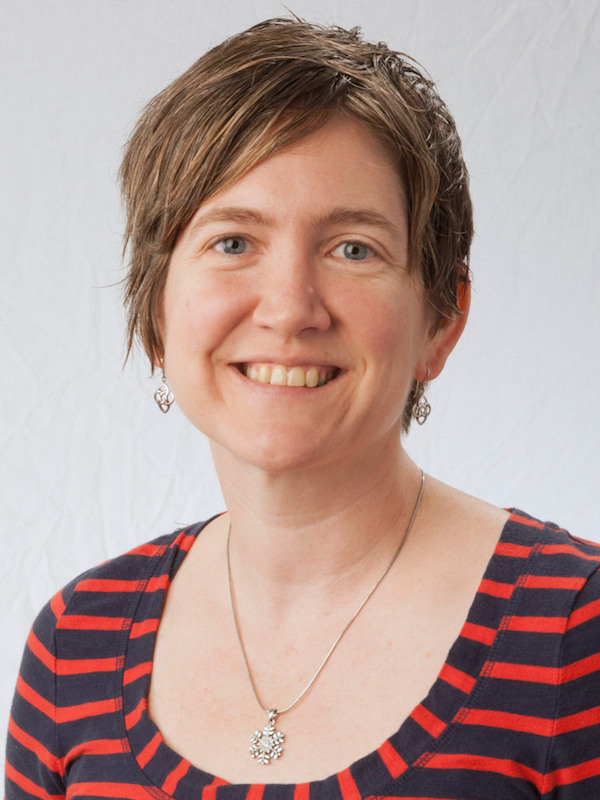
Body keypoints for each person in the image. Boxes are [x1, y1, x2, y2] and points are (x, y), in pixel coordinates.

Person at [5, 17, 600, 800]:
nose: (289, 310)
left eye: (353, 248)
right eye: (232, 242)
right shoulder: (72, 650)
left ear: (442, 321)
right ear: (156, 310)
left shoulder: (574, 634)